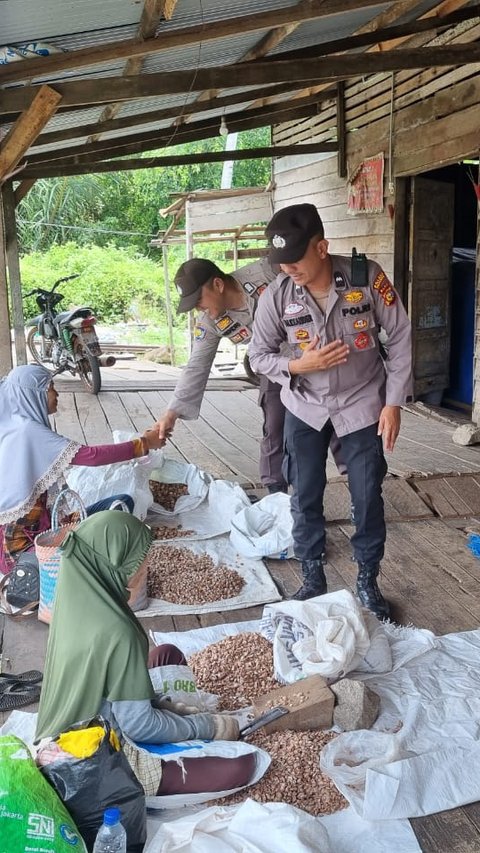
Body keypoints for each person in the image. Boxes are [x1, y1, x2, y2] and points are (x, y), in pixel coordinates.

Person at [248, 204, 412, 619]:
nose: (287, 267)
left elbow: (402, 334)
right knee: (303, 494)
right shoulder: (276, 295)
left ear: (322, 247)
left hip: (362, 404)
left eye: (295, 258)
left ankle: (367, 582)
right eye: (280, 261)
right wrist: (297, 366)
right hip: (304, 406)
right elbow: (258, 354)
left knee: (366, 494)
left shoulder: (367, 277)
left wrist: (393, 402)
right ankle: (312, 577)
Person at [35, 512, 255, 796]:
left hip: (68, 729)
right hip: (89, 758)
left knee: (166, 653)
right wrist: (205, 726)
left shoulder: (75, 598)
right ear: (113, 563)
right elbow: (139, 726)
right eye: (138, 561)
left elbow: (106, 673)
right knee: (242, 765)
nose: (145, 567)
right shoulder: (117, 631)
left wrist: (163, 706)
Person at [154, 257, 345, 491]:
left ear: (218, 284)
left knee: (339, 421)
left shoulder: (266, 272)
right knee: (275, 428)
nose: (198, 309)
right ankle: (277, 495)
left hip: (320, 357)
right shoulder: (210, 323)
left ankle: (354, 486)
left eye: (198, 300)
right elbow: (196, 367)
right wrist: (171, 413)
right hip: (276, 369)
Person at [0, 364, 165, 575]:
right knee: (106, 533)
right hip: (24, 554)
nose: (56, 393)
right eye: (51, 387)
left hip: (47, 530)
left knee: (122, 502)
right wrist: (143, 444)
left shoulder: (17, 426)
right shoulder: (26, 431)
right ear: (34, 394)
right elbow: (91, 456)